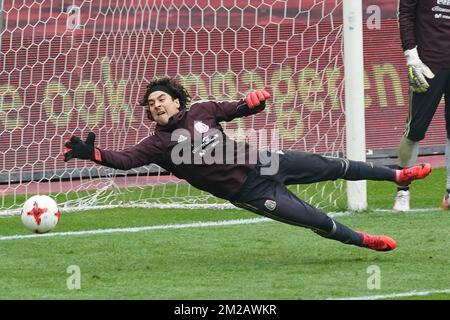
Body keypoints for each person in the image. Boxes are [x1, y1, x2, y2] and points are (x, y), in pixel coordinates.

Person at [63, 77, 432, 252]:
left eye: (161, 99)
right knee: (316, 220)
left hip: (266, 162)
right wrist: (93, 154)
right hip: (250, 191)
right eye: (150, 104)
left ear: (177, 101)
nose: (156, 105)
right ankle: (366, 241)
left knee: (330, 165)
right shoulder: (157, 145)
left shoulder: (204, 111)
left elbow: (240, 107)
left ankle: (398, 174)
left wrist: (256, 102)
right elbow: (125, 161)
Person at [394, 0, 450, 211]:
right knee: (415, 129)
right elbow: (405, 14)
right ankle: (402, 190)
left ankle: (449, 193)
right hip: (428, 63)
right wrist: (411, 56)